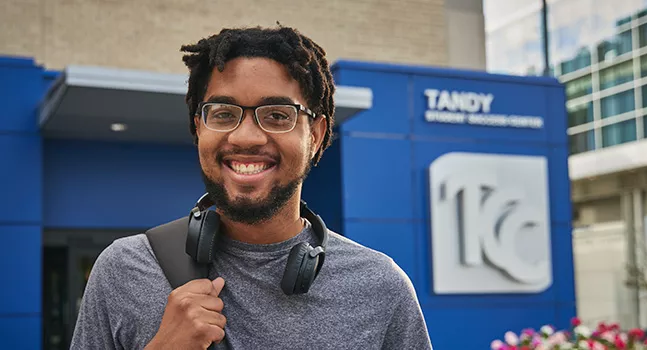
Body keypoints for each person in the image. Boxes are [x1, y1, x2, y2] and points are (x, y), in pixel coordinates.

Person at [70, 25, 432, 350]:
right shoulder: (124, 270)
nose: (245, 136)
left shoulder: (381, 287)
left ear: (316, 134)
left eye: (277, 115)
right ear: (199, 128)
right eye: (223, 114)